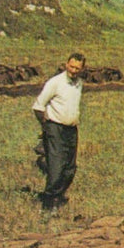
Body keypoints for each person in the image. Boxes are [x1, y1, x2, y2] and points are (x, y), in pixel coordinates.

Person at [32, 53, 86, 212]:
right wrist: (46, 127)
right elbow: (38, 106)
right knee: (56, 166)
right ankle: (48, 205)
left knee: (70, 168)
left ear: (82, 69)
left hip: (71, 129)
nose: (74, 70)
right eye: (71, 66)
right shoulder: (55, 83)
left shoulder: (79, 84)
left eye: (77, 68)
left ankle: (58, 195)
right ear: (66, 64)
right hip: (55, 128)